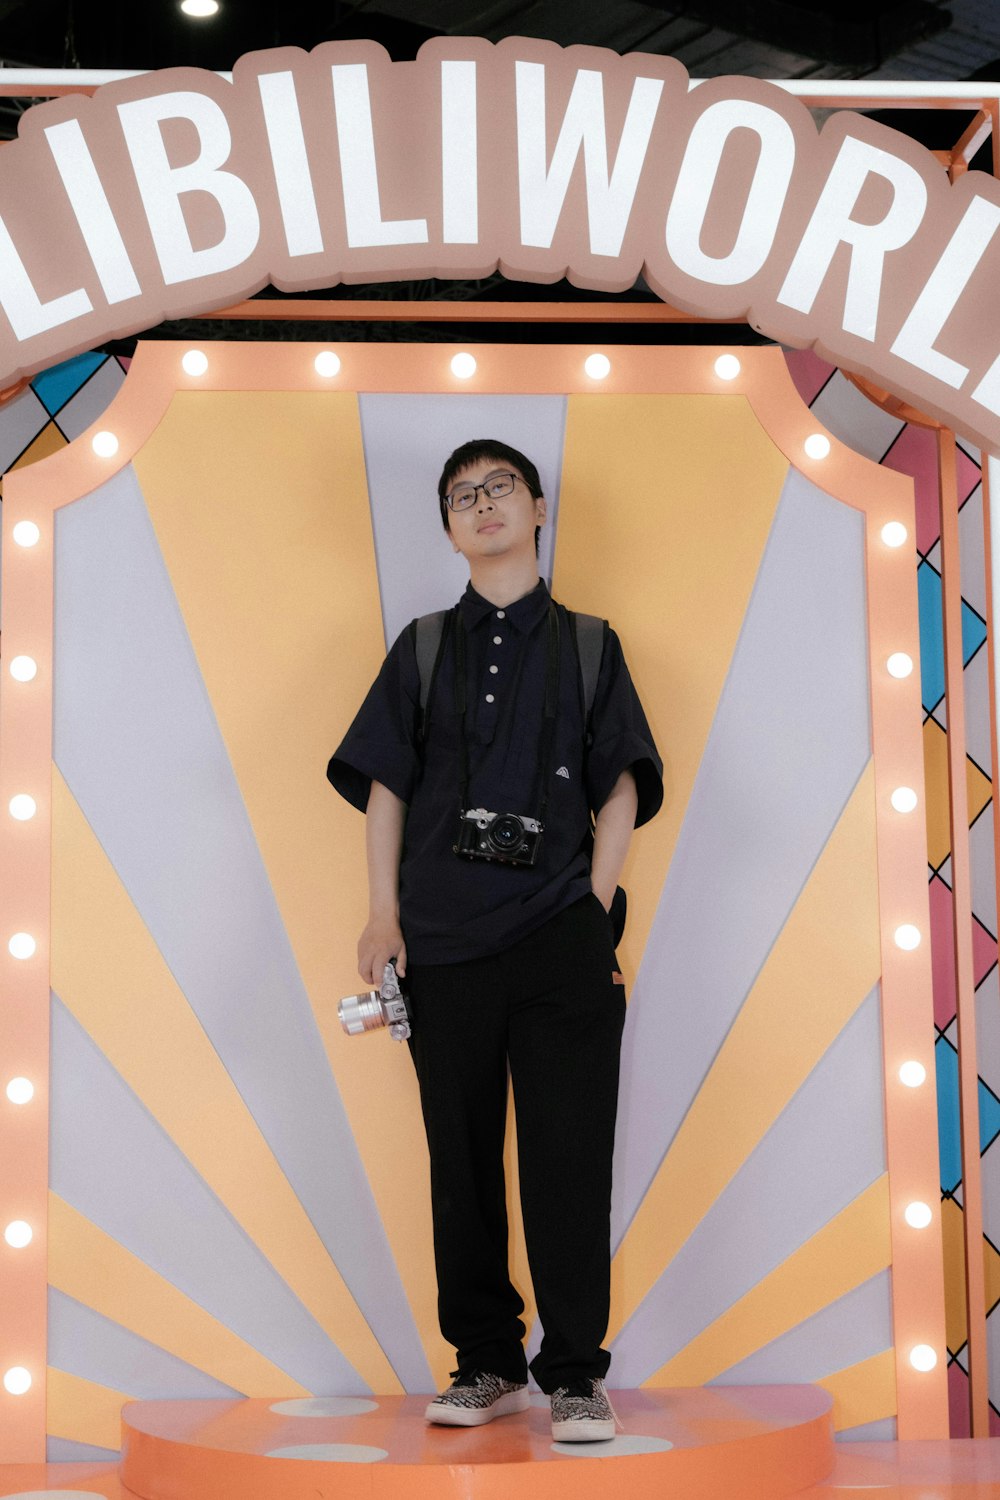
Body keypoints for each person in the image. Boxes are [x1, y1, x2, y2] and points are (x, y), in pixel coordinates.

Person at [327, 438, 662, 1442]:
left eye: (499, 489)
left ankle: (572, 1377)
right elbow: (385, 787)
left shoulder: (591, 644)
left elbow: (623, 785)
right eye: (462, 497)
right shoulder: (424, 645)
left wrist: (589, 908)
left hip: (559, 942)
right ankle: (484, 1363)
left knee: (568, 1160)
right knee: (458, 1161)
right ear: (447, 526)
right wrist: (383, 915)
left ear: (537, 506)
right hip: (441, 941)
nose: (482, 506)